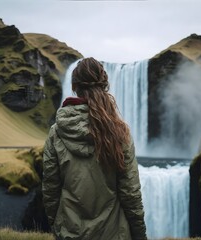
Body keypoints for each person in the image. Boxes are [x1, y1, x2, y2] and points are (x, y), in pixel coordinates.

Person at [42, 57, 147, 240]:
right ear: (105, 85)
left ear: (74, 86)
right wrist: (139, 235)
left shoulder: (56, 132)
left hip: (70, 233)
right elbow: (130, 193)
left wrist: (58, 226)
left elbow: (50, 189)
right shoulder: (119, 133)